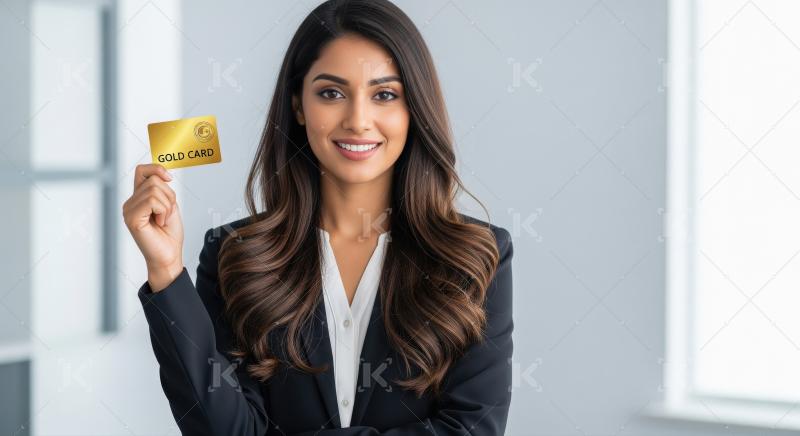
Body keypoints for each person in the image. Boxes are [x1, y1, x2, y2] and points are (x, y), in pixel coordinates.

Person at [121, 0, 514, 434]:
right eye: (331, 93)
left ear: (413, 109)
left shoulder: (476, 256)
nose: (358, 120)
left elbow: (473, 429)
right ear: (298, 106)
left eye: (384, 95)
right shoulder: (235, 254)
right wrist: (165, 269)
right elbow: (223, 428)